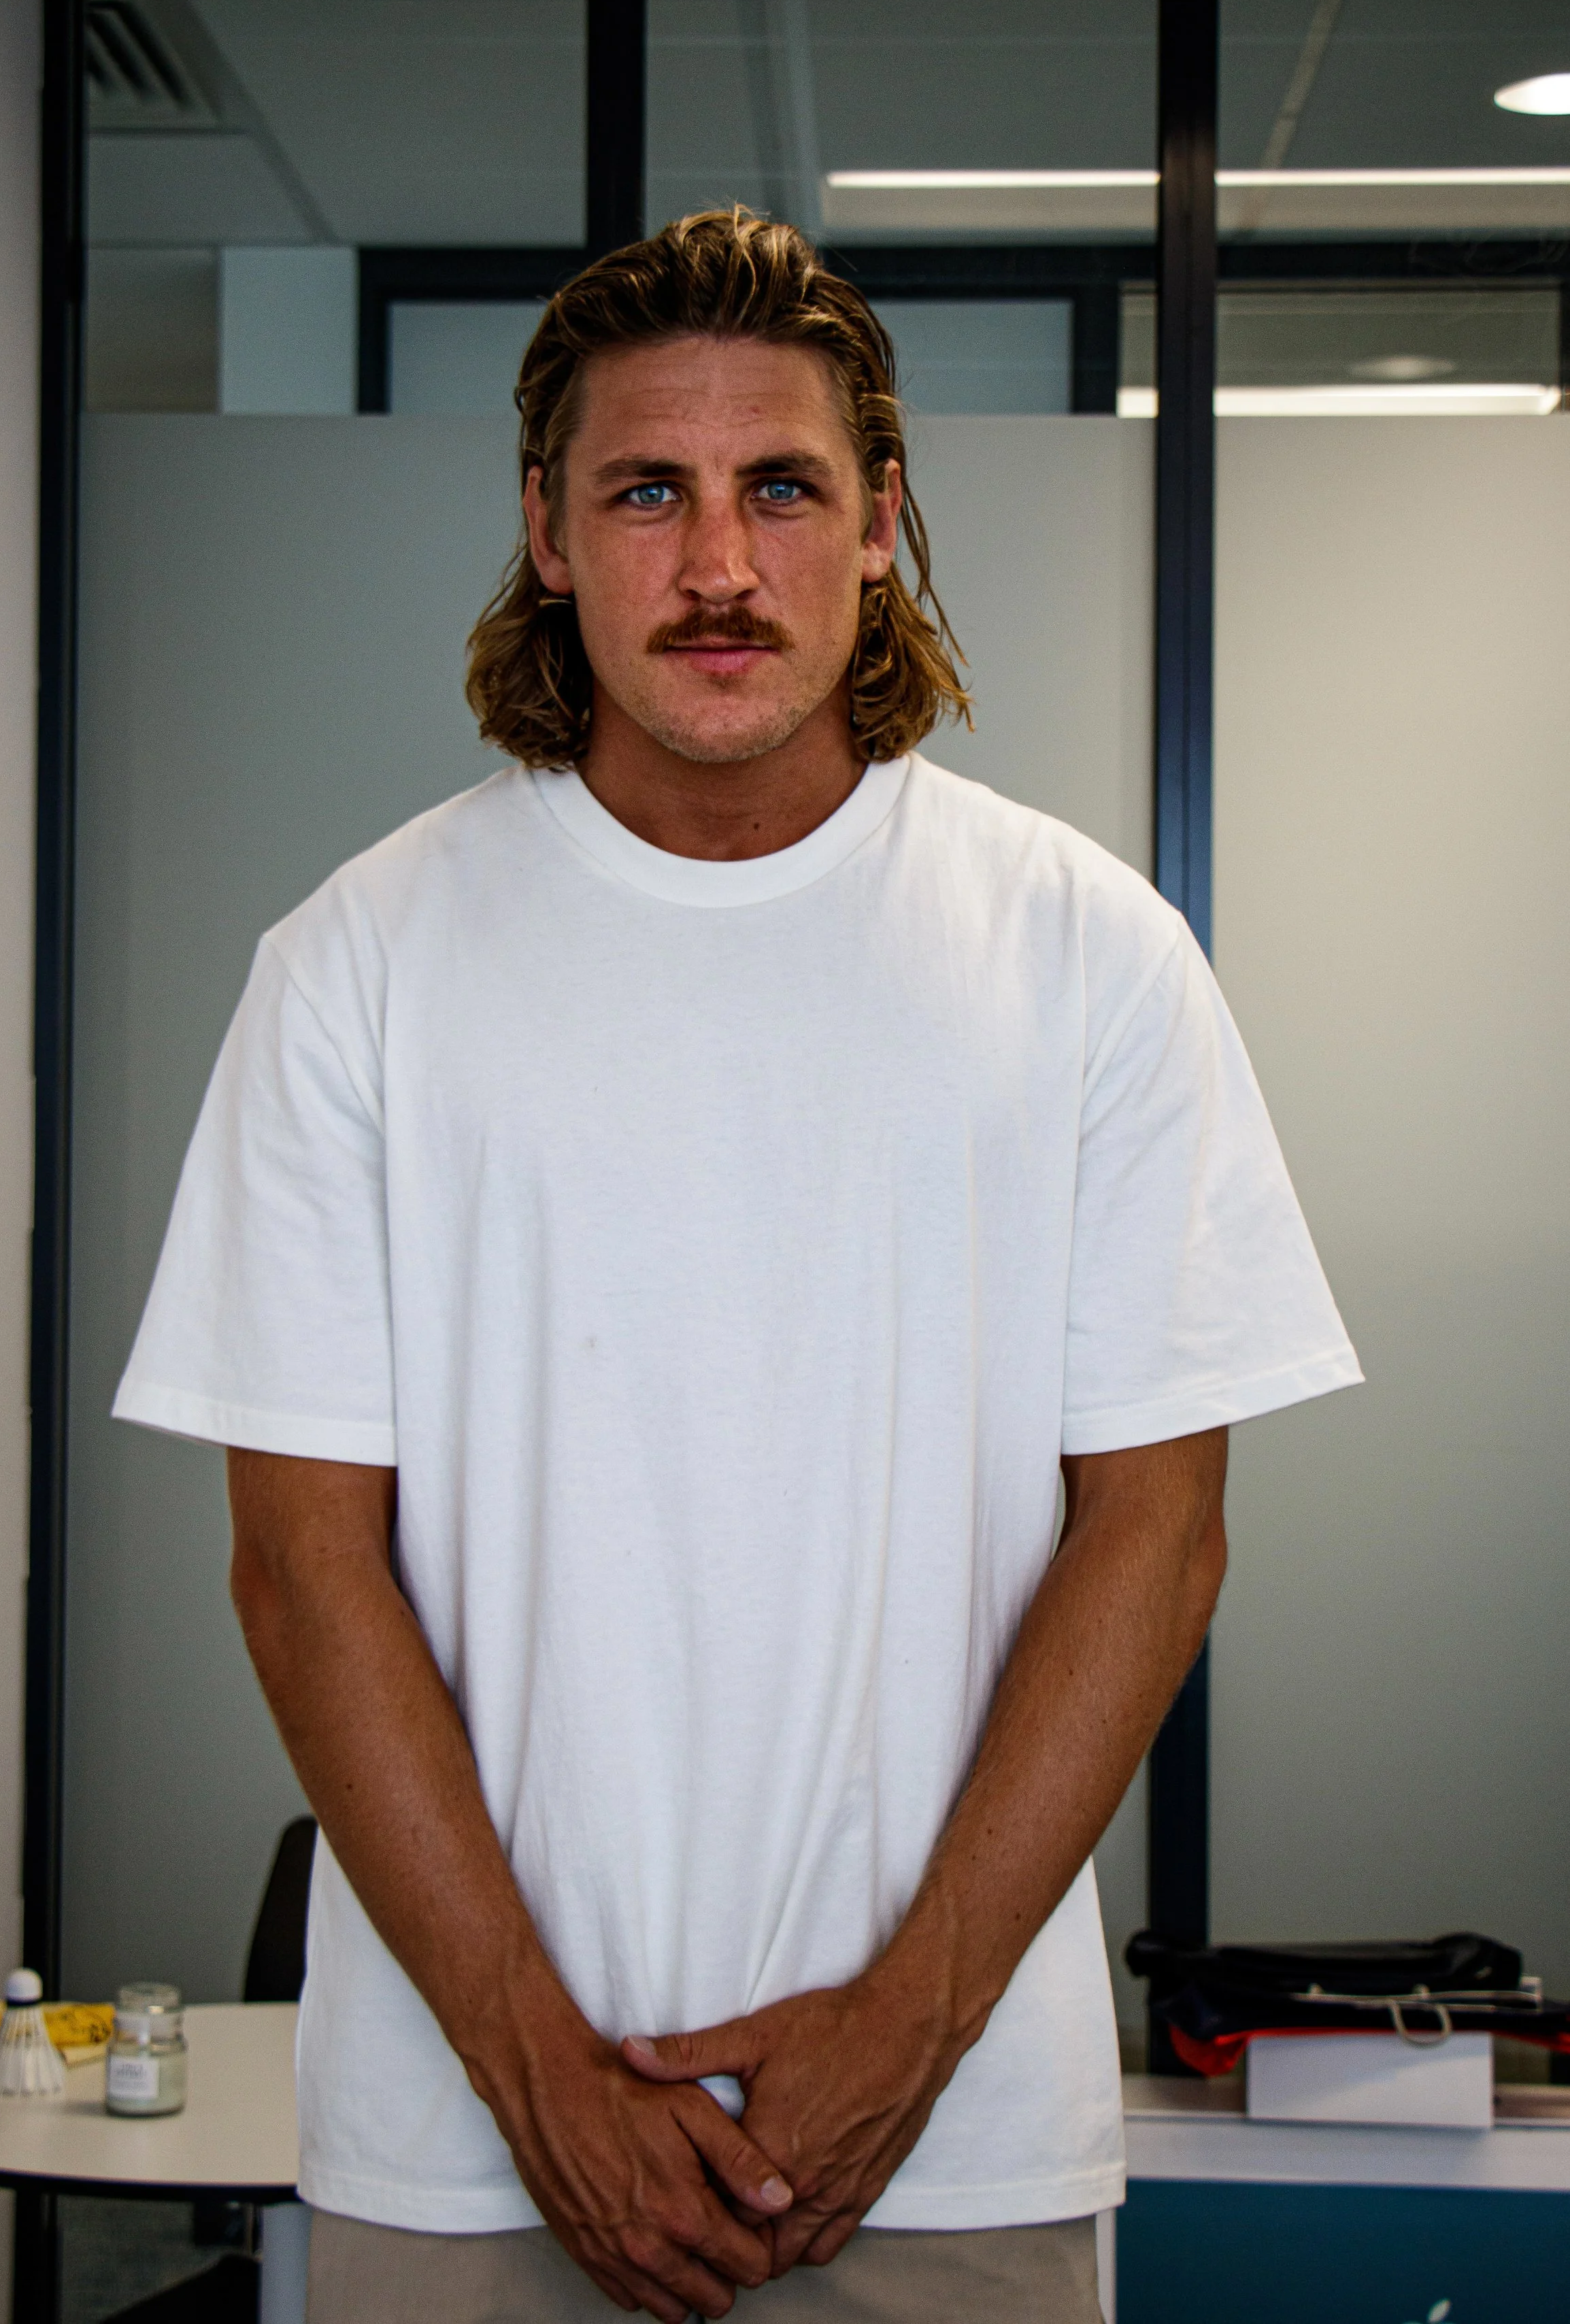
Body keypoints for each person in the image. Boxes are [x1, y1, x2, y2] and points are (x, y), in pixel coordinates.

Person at [115, 210, 1360, 2323]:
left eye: (779, 487)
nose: (715, 564)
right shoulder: (356, 970)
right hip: (464, 2147)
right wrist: (534, 2070)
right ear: (546, 528)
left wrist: (906, 2029)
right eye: (644, 492)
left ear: (879, 523)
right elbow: (300, 1564)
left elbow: (1154, 1534)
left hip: (951, 2142)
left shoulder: (1087, 959)